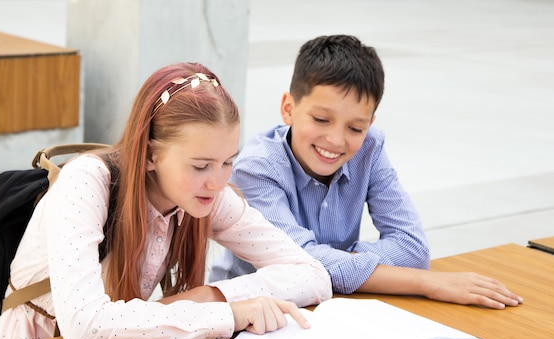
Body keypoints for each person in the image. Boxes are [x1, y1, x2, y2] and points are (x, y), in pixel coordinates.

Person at [0, 62, 331, 339]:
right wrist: (225, 313)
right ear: (150, 155)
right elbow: (85, 327)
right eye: (200, 166)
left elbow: (313, 275)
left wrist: (210, 295)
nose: (217, 180)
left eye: (228, 162)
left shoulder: (207, 195)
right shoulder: (86, 182)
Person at [211, 34, 522, 310]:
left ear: (370, 124)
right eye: (321, 119)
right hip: (248, 311)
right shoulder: (257, 168)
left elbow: (413, 250)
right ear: (289, 108)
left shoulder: (369, 148)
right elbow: (299, 265)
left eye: (355, 127)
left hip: (331, 308)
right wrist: (426, 283)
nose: (336, 140)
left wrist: (337, 261)